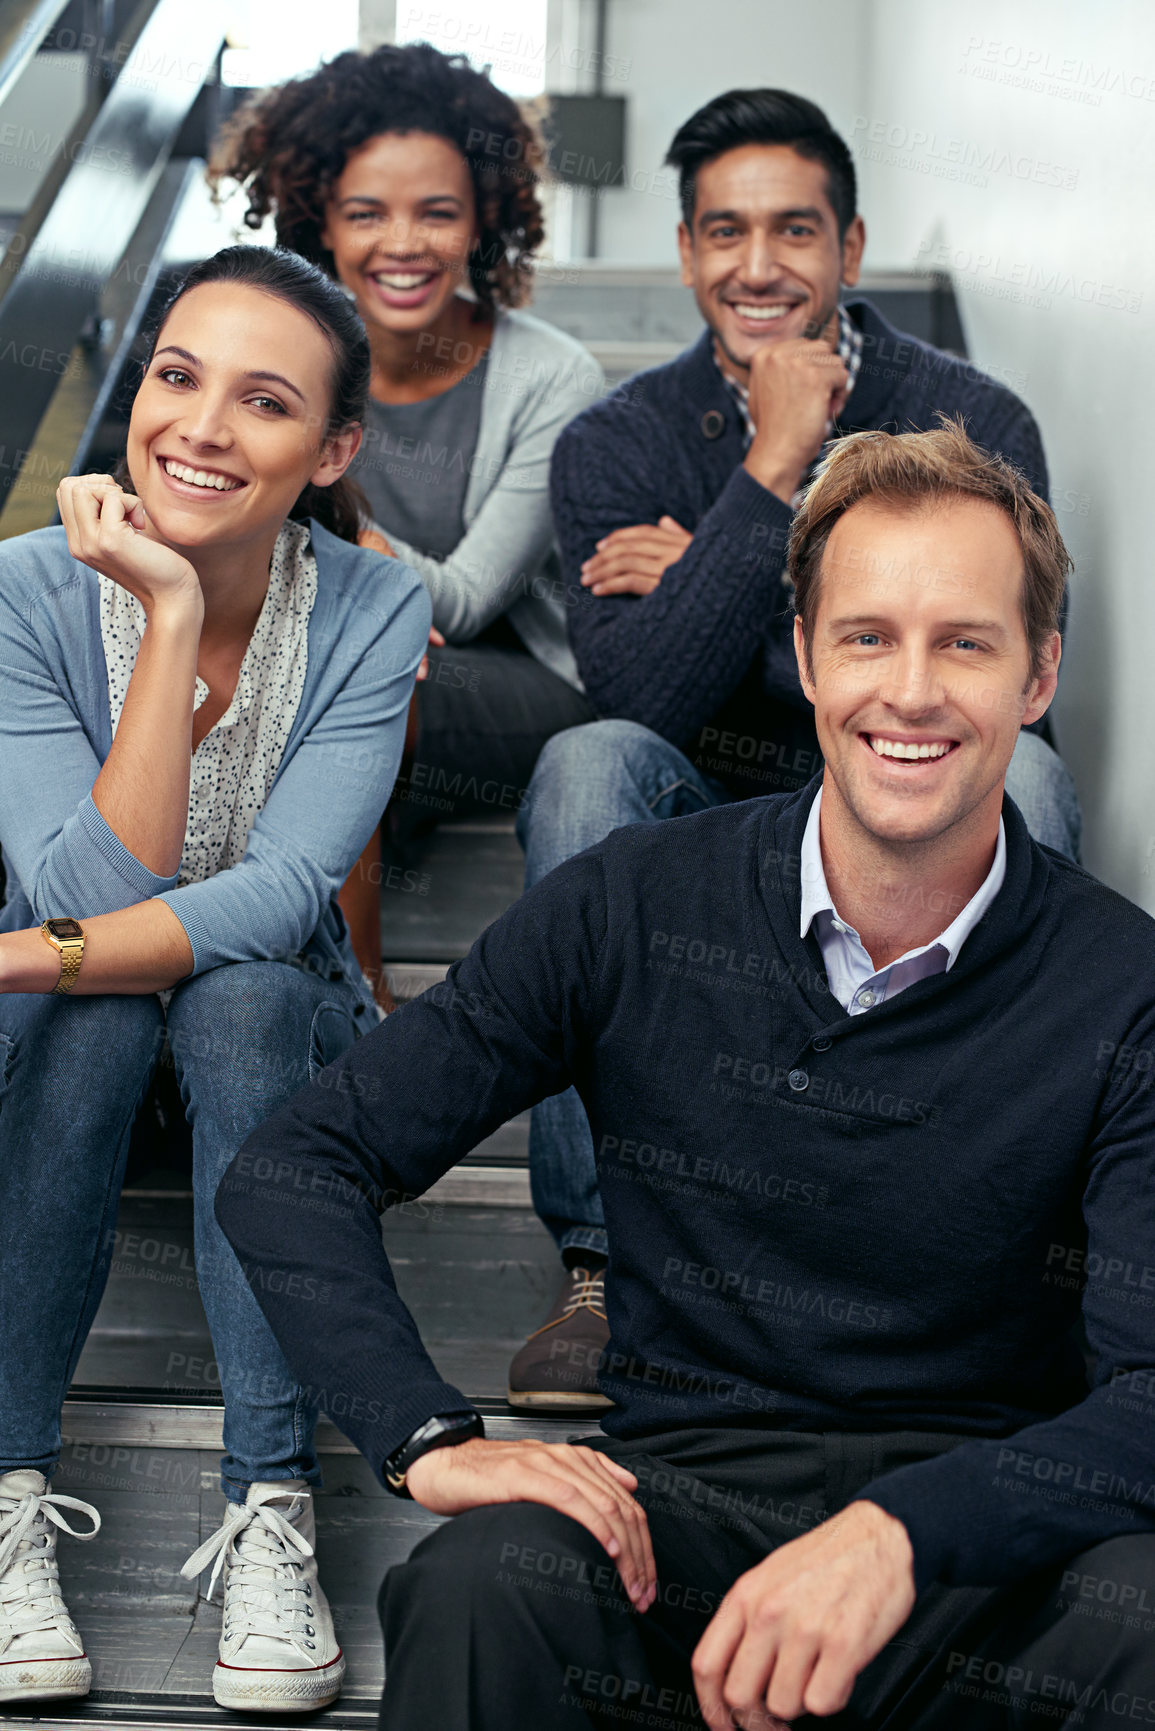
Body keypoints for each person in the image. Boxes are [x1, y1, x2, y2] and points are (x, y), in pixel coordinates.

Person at [217, 422, 1155, 1730]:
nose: (910, 689)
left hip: (990, 1548)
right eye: (867, 635)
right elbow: (295, 1161)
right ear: (807, 658)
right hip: (682, 1528)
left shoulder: (1126, 985)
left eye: (965, 641)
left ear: (1037, 671)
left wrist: (898, 1528)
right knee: (487, 1580)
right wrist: (424, 1434)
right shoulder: (630, 904)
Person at [511, 87, 1084, 1407]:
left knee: (1039, 782)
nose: (755, 267)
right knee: (585, 764)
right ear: (682, 251)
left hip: (906, 782)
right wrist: (770, 467)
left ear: (849, 247)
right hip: (706, 789)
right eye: (723, 231)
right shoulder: (614, 438)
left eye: (791, 231)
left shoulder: (971, 418)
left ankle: (1017, 1246)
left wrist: (720, 566)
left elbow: (999, 695)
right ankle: (600, 1265)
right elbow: (645, 694)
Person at [0, 246, 429, 1712]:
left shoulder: (376, 606)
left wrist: (16, 956)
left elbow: (284, 895)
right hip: (72, 1054)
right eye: (176, 376)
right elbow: (86, 897)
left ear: (332, 451)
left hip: (273, 1046)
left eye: (263, 401)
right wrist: (168, 620)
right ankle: (7, 1496)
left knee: (235, 991)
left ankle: (272, 1506)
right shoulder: (25, 593)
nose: (198, 425)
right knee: (98, 991)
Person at [211, 42, 603, 1000]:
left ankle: (363, 992)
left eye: (439, 212)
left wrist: (344, 548)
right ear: (321, 222)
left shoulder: (552, 377)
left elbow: (463, 602)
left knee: (351, 650)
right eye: (365, 213)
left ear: (484, 222)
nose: (404, 242)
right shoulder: (284, 364)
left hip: (526, 687)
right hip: (354, 666)